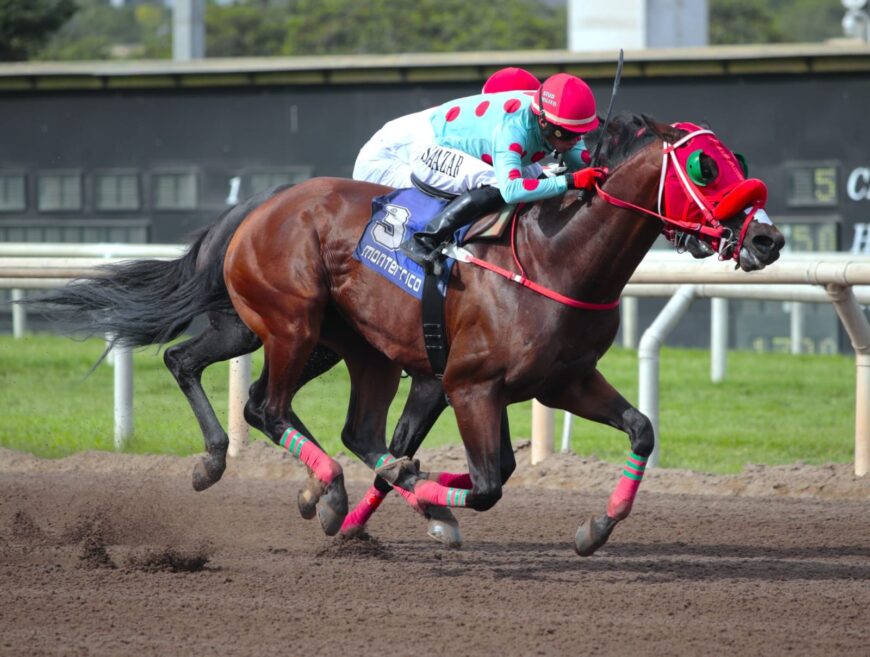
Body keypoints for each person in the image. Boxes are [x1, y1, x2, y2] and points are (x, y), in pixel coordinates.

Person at [353, 73, 607, 268]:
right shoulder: (513, 128)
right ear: (543, 121)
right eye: (568, 134)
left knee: (537, 175)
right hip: (423, 150)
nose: (576, 141)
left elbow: (583, 164)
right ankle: (425, 240)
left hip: (449, 141)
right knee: (497, 182)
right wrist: (570, 181)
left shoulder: (555, 122)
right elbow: (512, 191)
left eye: (580, 133)